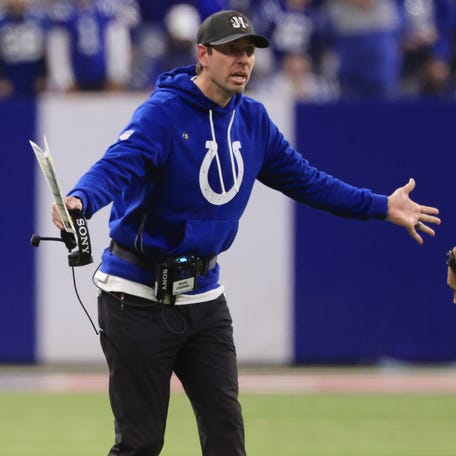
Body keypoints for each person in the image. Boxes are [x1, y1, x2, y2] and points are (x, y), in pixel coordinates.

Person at [51, 9, 441, 456]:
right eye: (232, 51)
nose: (244, 60)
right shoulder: (162, 113)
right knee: (140, 443)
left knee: (227, 440)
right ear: (203, 55)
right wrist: (80, 200)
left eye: (250, 51)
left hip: (203, 298)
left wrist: (381, 206)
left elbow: (309, 181)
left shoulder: (253, 121)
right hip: (135, 297)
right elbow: (114, 167)